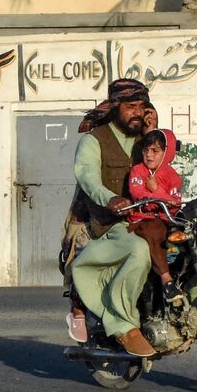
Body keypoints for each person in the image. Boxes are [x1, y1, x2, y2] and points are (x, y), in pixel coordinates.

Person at [67, 78, 157, 357]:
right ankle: (123, 324)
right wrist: (111, 199)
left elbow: (167, 169)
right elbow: (88, 178)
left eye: (142, 107)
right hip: (110, 223)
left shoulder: (148, 139)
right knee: (140, 249)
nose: (137, 113)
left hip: (147, 218)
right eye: (131, 107)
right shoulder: (94, 141)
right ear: (115, 107)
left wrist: (154, 132)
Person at [126, 128, 185, 305]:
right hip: (142, 220)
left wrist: (156, 190)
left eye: (155, 151)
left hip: (166, 220)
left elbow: (176, 203)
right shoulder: (137, 171)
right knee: (155, 230)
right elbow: (137, 193)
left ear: (167, 152)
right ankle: (167, 281)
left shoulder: (174, 177)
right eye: (146, 150)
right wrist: (160, 196)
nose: (149, 155)